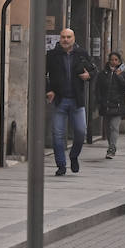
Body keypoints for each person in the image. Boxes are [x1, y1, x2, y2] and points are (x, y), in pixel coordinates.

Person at [45, 28, 96, 176]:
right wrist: (48, 90)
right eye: (63, 37)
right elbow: (43, 74)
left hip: (77, 100)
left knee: (81, 132)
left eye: (68, 37)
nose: (65, 40)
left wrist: (88, 75)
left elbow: (94, 70)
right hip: (59, 101)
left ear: (73, 38)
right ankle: (61, 165)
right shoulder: (52, 55)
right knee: (57, 134)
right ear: (59, 39)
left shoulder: (81, 54)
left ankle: (74, 156)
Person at [97, 51, 125, 159]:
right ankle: (110, 145)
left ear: (119, 61)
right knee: (108, 129)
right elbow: (98, 88)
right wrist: (99, 101)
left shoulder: (124, 73)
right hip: (106, 105)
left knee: (114, 127)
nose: (113, 62)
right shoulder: (103, 74)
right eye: (112, 60)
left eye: (116, 60)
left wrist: (119, 77)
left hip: (117, 106)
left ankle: (112, 148)